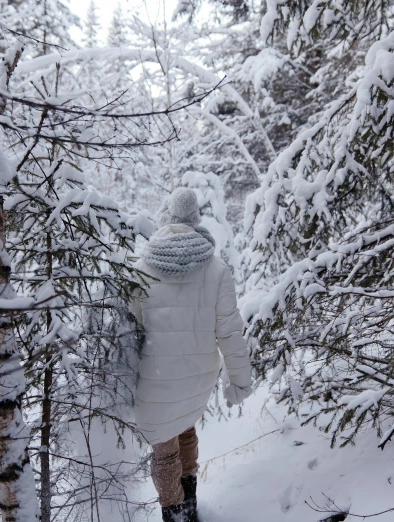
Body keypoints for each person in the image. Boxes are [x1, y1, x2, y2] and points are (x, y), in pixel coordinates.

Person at [130, 188, 253, 522]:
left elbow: (130, 333)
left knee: (164, 447)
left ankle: (176, 515)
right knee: (185, 427)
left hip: (156, 379)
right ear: (196, 220)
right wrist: (240, 382)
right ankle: (191, 505)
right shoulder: (216, 269)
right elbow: (229, 332)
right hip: (198, 379)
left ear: (166, 219)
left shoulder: (142, 267)